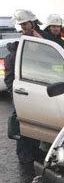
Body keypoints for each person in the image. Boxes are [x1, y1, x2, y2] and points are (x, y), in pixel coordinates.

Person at [6, 9, 43, 163]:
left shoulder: (39, 43)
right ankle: (24, 155)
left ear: (33, 23)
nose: (23, 27)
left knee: (36, 124)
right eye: (21, 24)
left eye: (25, 23)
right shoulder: (16, 53)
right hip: (23, 94)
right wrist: (15, 93)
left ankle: (34, 150)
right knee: (23, 125)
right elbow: (9, 78)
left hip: (37, 93)